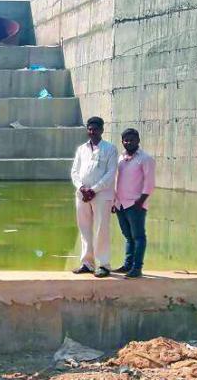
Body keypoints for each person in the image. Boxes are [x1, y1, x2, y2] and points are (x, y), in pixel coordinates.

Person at [70, 116, 118, 278]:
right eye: (90, 129)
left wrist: (94, 190)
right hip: (82, 195)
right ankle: (87, 263)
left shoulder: (110, 149)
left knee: (101, 229)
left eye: (95, 128)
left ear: (102, 130)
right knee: (84, 229)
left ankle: (103, 265)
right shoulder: (81, 149)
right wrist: (81, 188)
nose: (92, 131)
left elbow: (110, 174)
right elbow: (75, 172)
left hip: (101, 195)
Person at [112, 128, 155, 279]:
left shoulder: (145, 158)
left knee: (138, 236)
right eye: (125, 140)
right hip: (120, 204)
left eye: (132, 139)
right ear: (122, 141)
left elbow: (150, 183)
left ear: (138, 140)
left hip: (135, 204)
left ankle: (137, 268)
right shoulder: (120, 158)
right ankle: (127, 265)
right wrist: (114, 201)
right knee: (128, 236)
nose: (128, 142)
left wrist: (141, 201)